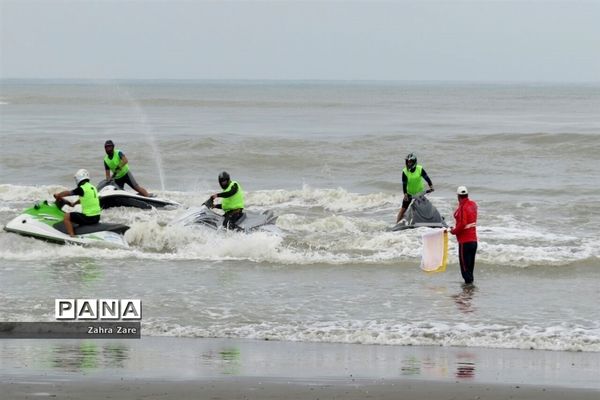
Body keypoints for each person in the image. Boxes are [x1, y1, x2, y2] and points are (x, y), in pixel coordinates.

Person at [53, 169, 101, 237]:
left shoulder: (82, 188)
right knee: (77, 214)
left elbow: (69, 193)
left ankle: (72, 236)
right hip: (97, 217)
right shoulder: (92, 187)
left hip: (89, 218)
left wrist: (59, 195)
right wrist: (74, 203)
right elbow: (86, 199)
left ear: (79, 178)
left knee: (67, 216)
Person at [450, 186, 478, 284]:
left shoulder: (463, 208)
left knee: (465, 270)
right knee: (470, 269)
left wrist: (453, 231)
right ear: (467, 195)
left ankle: (467, 293)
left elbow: (462, 224)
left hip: (464, 243)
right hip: (474, 241)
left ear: (458, 196)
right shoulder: (473, 205)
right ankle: (470, 292)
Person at [396, 152, 434, 223]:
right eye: (407, 162)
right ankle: (397, 223)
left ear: (414, 162)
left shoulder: (420, 169)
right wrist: (405, 194)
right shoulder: (405, 171)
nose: (408, 163)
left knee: (424, 207)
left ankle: (429, 219)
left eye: (410, 162)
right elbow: (404, 184)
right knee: (403, 209)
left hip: (420, 193)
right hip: (409, 194)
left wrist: (431, 187)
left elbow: (427, 178)